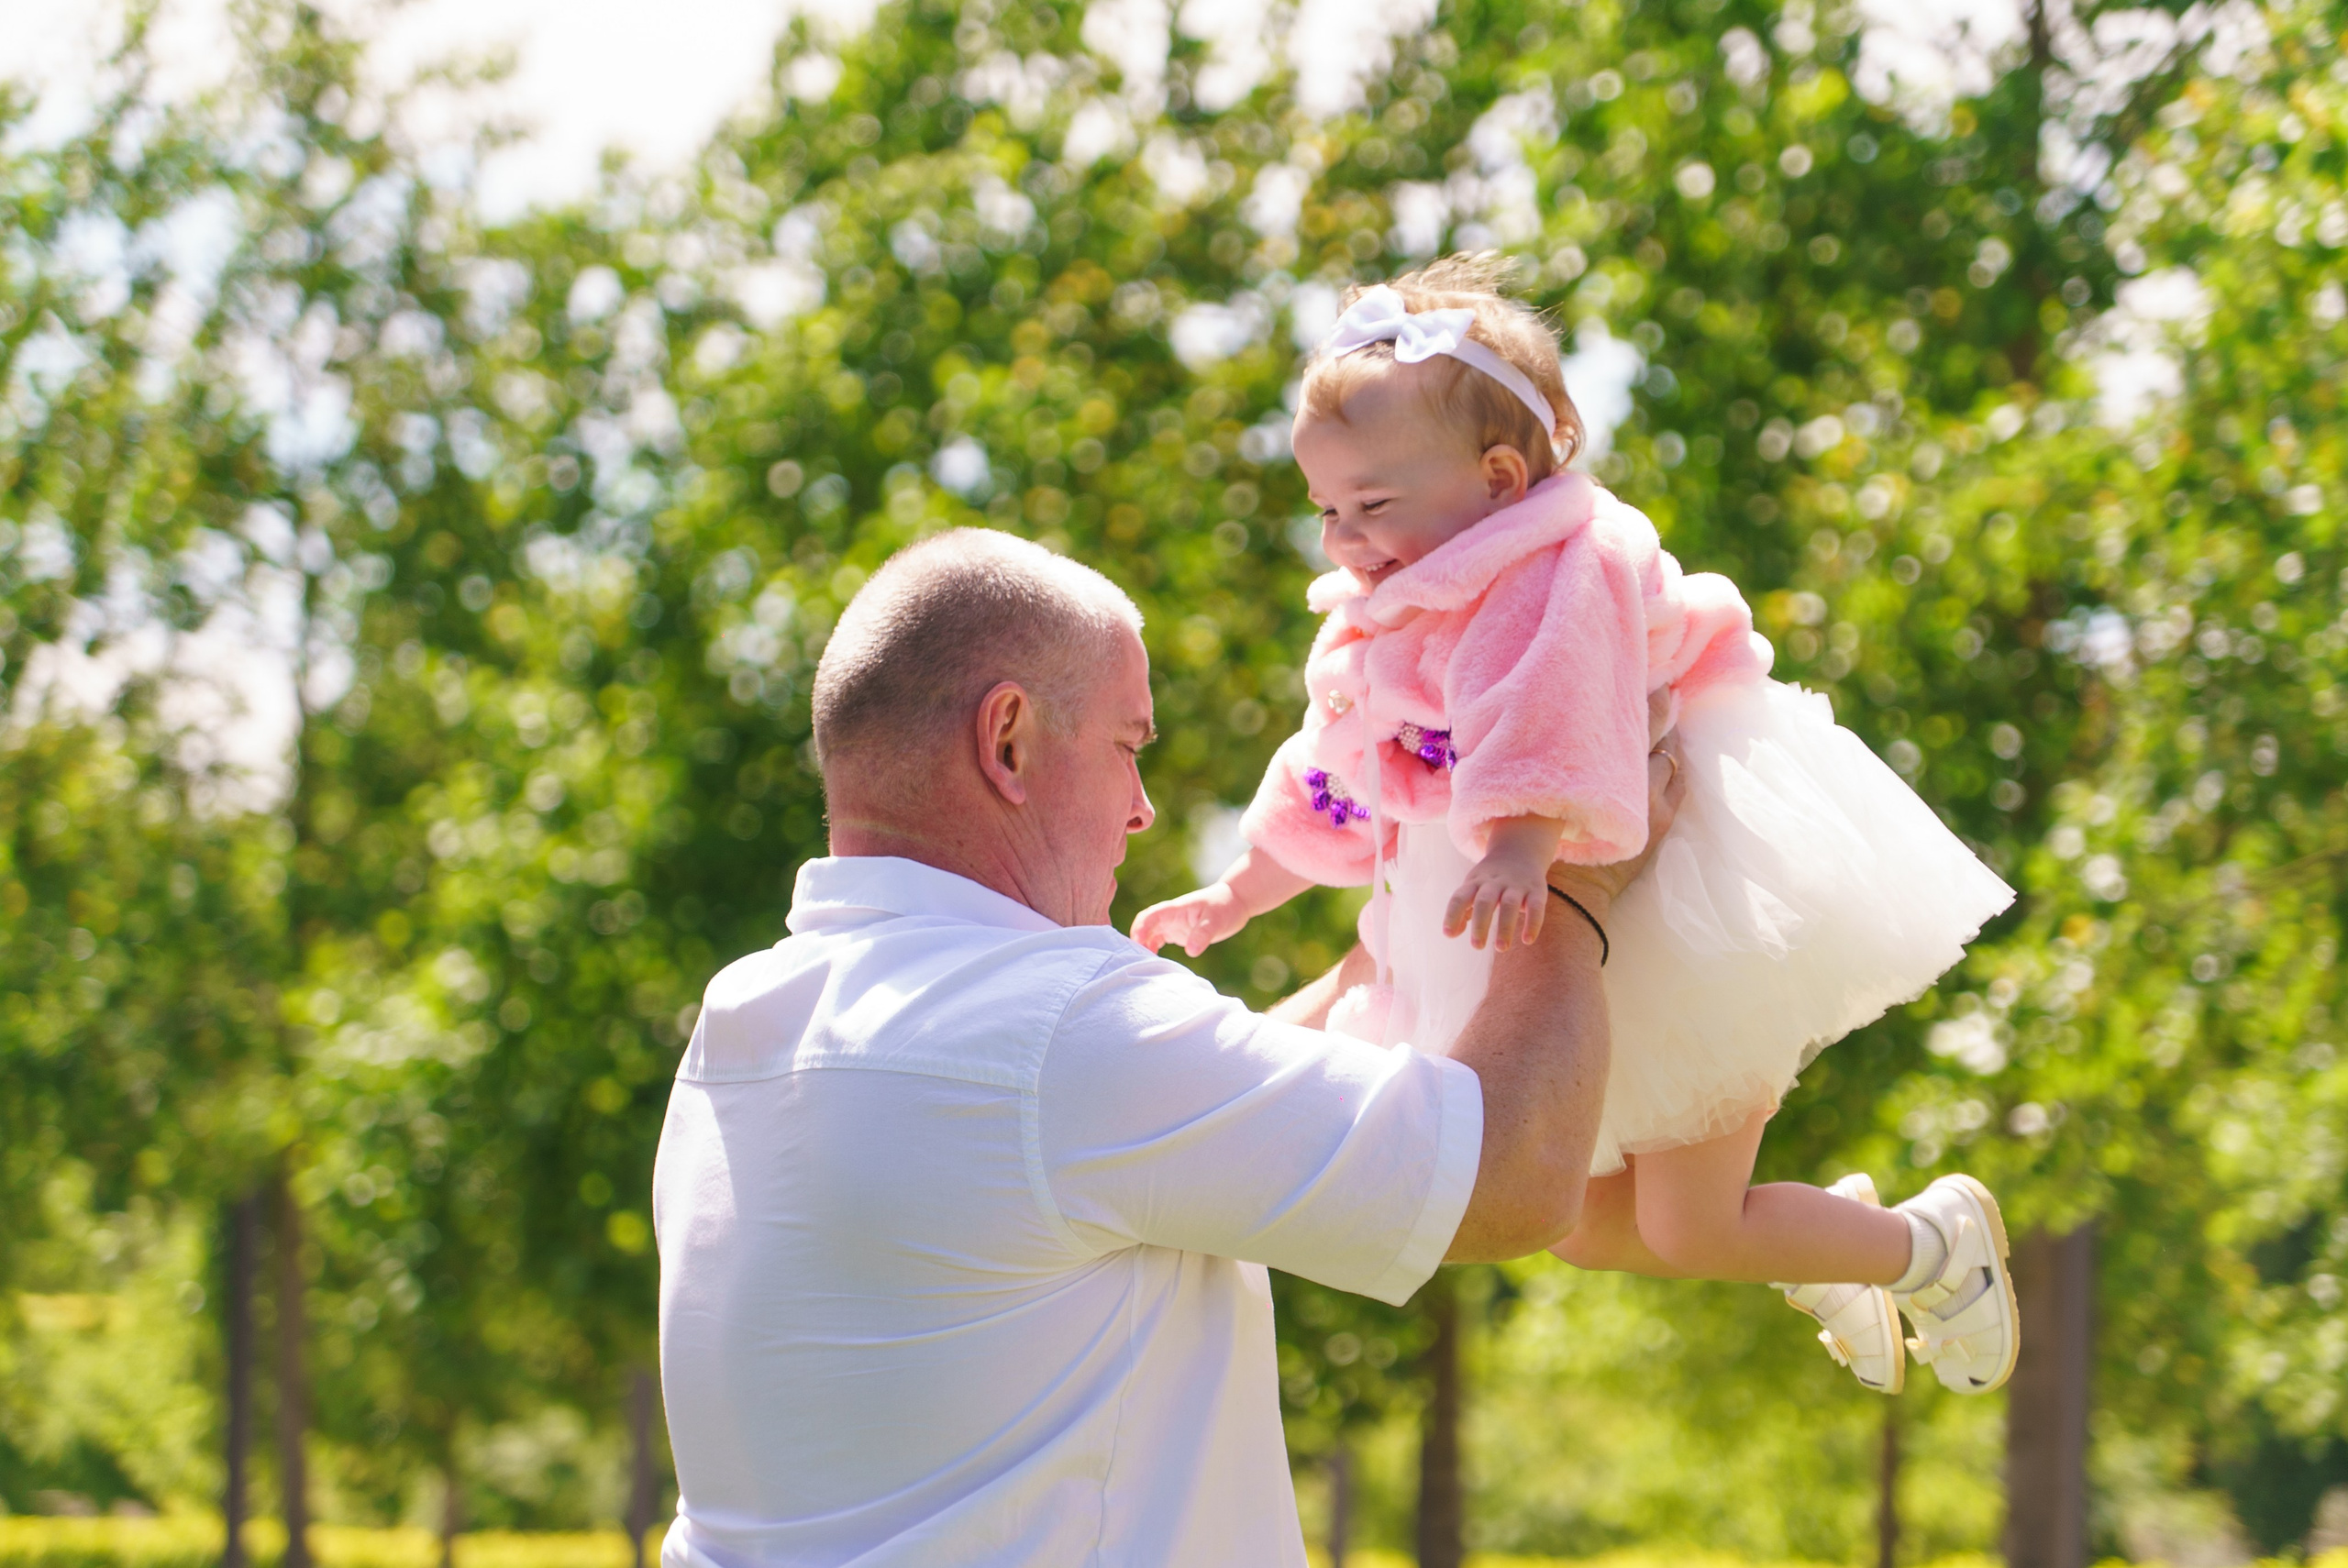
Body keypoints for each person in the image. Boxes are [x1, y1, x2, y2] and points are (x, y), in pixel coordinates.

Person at [651, 528, 1683, 1566]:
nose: (1143, 810)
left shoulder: (743, 1021)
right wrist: (1571, 879)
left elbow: (1150, 1124)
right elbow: (1514, 1174)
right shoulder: (1061, 1029)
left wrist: (1379, 966)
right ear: (1007, 738)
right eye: (1127, 746)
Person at [1131, 256, 2021, 1398]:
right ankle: (1825, 1244)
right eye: (1326, 510)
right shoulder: (1395, 602)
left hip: (1667, 888)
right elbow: (1342, 760)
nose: (1344, 539)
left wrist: (1518, 837)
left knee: (1691, 1226)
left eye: (1373, 504)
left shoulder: (1559, 565)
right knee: (1579, 1224)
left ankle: (1931, 1248)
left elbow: (1551, 712)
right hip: (1532, 893)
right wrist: (1244, 884)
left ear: (1499, 478)